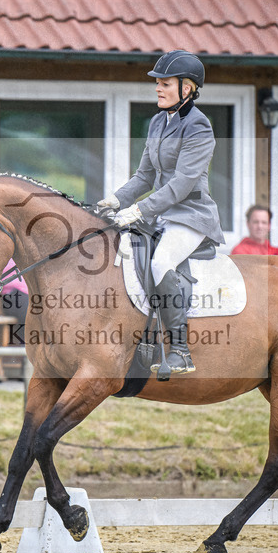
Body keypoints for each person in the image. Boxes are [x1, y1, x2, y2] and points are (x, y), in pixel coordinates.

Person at [97, 50, 225, 377]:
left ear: (187, 89)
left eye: (165, 83)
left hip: (191, 216)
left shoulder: (199, 127)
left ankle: (180, 350)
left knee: (160, 260)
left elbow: (182, 184)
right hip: (160, 215)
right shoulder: (157, 121)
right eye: (158, 83)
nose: (158, 88)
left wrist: (139, 210)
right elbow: (144, 177)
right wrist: (113, 201)